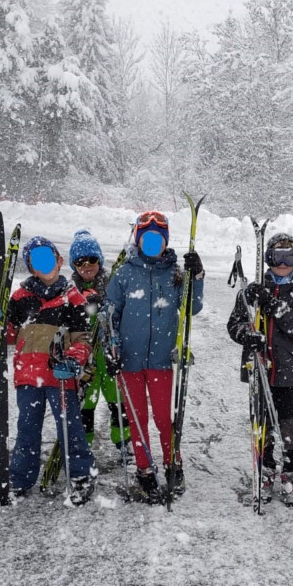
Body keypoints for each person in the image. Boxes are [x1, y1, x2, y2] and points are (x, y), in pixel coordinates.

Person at [103, 211, 205, 504]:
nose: (152, 244)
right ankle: (145, 469)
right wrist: (112, 348)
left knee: (163, 418)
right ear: (138, 239)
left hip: (160, 358)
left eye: (157, 240)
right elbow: (109, 315)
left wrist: (196, 276)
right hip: (129, 361)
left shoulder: (174, 274)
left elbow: (192, 308)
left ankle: (174, 463)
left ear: (165, 242)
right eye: (146, 239)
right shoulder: (124, 273)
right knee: (137, 420)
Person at [1, 236, 96, 504]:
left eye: (48, 259)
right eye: (37, 261)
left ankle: (80, 476)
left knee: (70, 427)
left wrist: (74, 360)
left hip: (60, 376)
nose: (45, 266)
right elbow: (9, 337)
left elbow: (82, 339)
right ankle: (21, 478)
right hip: (28, 376)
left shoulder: (72, 297)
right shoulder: (20, 298)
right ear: (31, 268)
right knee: (27, 429)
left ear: (59, 260)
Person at [228, 232, 293, 506]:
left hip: (289, 370)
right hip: (260, 368)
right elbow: (234, 323)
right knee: (262, 423)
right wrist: (246, 334)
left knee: (289, 425)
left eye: (290, 257)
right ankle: (264, 470)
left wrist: (275, 306)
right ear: (268, 258)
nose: (283, 263)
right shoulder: (253, 288)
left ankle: (292, 474)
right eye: (278, 257)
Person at [68, 229, 133, 467]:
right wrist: (86, 307)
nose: (87, 265)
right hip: (85, 354)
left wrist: (104, 306)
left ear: (100, 261)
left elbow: (120, 308)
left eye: (92, 260)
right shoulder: (69, 288)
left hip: (108, 351)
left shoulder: (111, 282)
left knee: (117, 398)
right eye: (80, 262)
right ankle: (84, 440)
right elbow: (68, 318)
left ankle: (123, 439)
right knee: (86, 401)